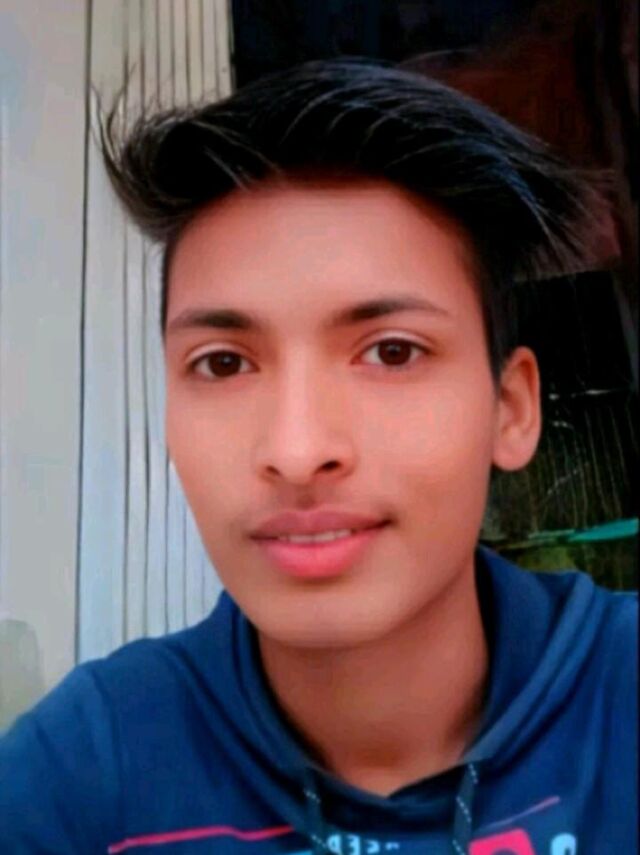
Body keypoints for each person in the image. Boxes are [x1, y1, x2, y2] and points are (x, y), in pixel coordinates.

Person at [0, 58, 636, 855]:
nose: (297, 452)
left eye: (392, 351)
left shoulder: (620, 698)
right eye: (223, 363)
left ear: (511, 407)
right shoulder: (84, 777)